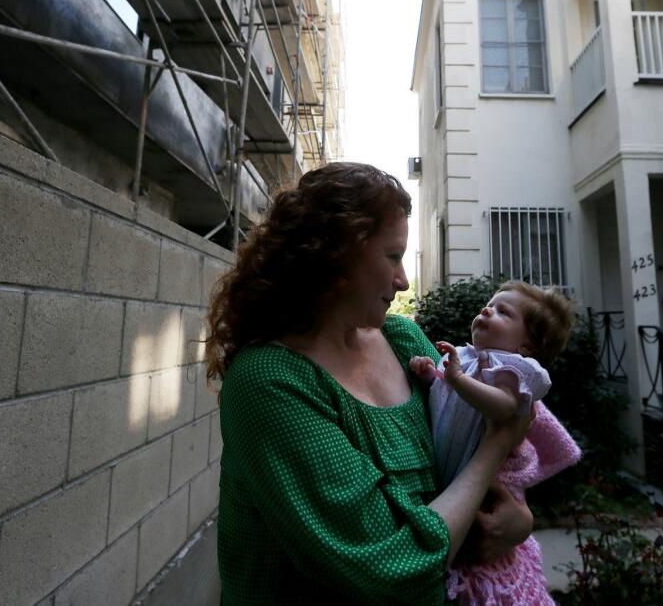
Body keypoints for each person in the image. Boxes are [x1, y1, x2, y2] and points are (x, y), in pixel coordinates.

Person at [206, 162, 534, 604]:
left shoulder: (404, 341)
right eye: (392, 256)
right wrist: (498, 445)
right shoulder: (269, 383)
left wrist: (519, 521)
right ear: (336, 256)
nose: (402, 281)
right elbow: (394, 571)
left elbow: (462, 462)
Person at [409, 282, 582, 605]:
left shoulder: (515, 369)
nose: (487, 310)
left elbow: (503, 408)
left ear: (526, 346)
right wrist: (431, 376)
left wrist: (458, 379)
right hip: (459, 470)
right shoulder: (466, 357)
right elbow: (446, 399)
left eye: (503, 311)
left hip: (493, 483)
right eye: (489, 305)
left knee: (478, 559)